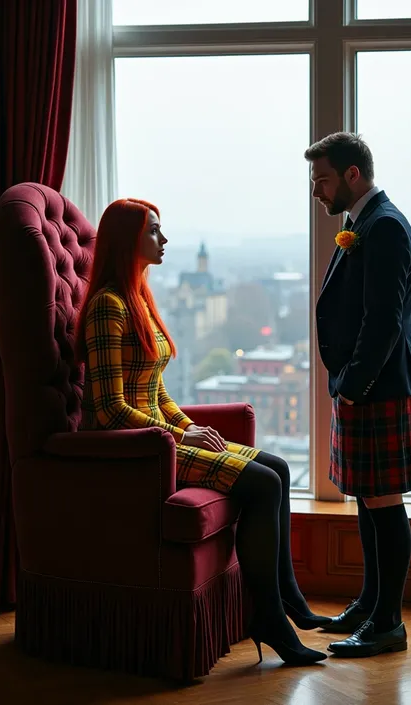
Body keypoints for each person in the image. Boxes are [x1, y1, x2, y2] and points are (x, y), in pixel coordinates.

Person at [74, 198, 331, 666]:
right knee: (263, 482)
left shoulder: (139, 301)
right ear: (127, 240)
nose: (164, 239)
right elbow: (110, 410)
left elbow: (155, 392)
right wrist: (176, 437)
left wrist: (190, 426)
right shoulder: (107, 308)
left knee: (277, 466)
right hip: (135, 451)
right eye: (154, 231)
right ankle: (270, 616)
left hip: (160, 438)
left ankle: (288, 599)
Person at [304, 133, 411, 657]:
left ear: (353, 175)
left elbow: (385, 323)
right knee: (366, 500)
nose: (316, 189)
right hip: (363, 387)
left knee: (383, 501)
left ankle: (388, 624)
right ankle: (369, 603)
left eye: (322, 178)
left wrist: (353, 387)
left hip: (378, 388)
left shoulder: (386, 228)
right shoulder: (363, 223)